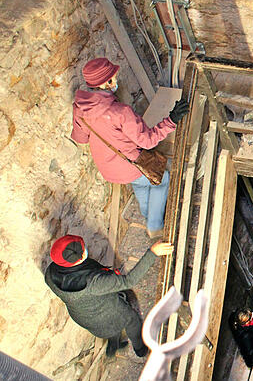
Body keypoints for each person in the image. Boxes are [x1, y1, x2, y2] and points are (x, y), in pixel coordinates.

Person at [71, 57, 189, 238]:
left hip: (107, 168)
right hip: (128, 165)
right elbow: (148, 141)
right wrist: (171, 120)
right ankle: (154, 225)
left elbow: (81, 138)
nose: (116, 80)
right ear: (106, 83)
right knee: (162, 180)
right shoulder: (120, 112)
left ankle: (148, 213)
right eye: (113, 77)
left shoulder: (79, 109)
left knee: (140, 184)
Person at [44, 234, 173, 358]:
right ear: (81, 257)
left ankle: (113, 346)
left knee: (109, 329)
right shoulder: (93, 283)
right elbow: (128, 281)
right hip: (108, 314)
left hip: (84, 318)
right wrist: (153, 253)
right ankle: (141, 349)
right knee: (132, 320)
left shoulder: (50, 274)